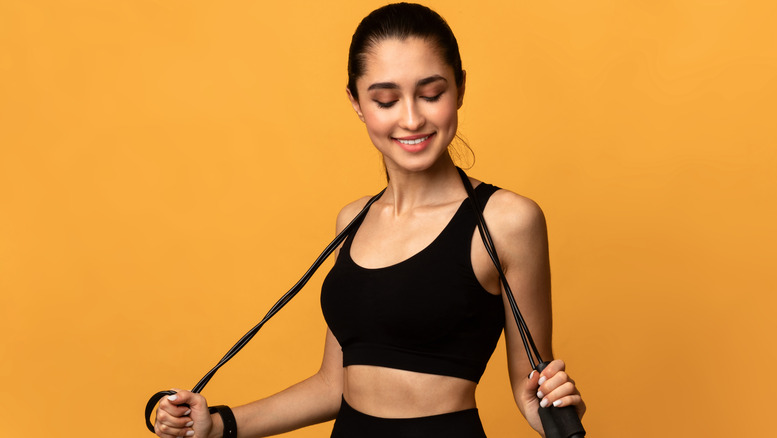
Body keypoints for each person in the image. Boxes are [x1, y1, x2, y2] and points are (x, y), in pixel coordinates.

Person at [153, 3, 585, 437]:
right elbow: (333, 385)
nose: (412, 118)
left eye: (432, 94)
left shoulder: (508, 220)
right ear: (357, 103)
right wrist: (217, 425)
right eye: (385, 100)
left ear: (460, 89)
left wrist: (550, 413)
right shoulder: (352, 221)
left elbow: (528, 384)